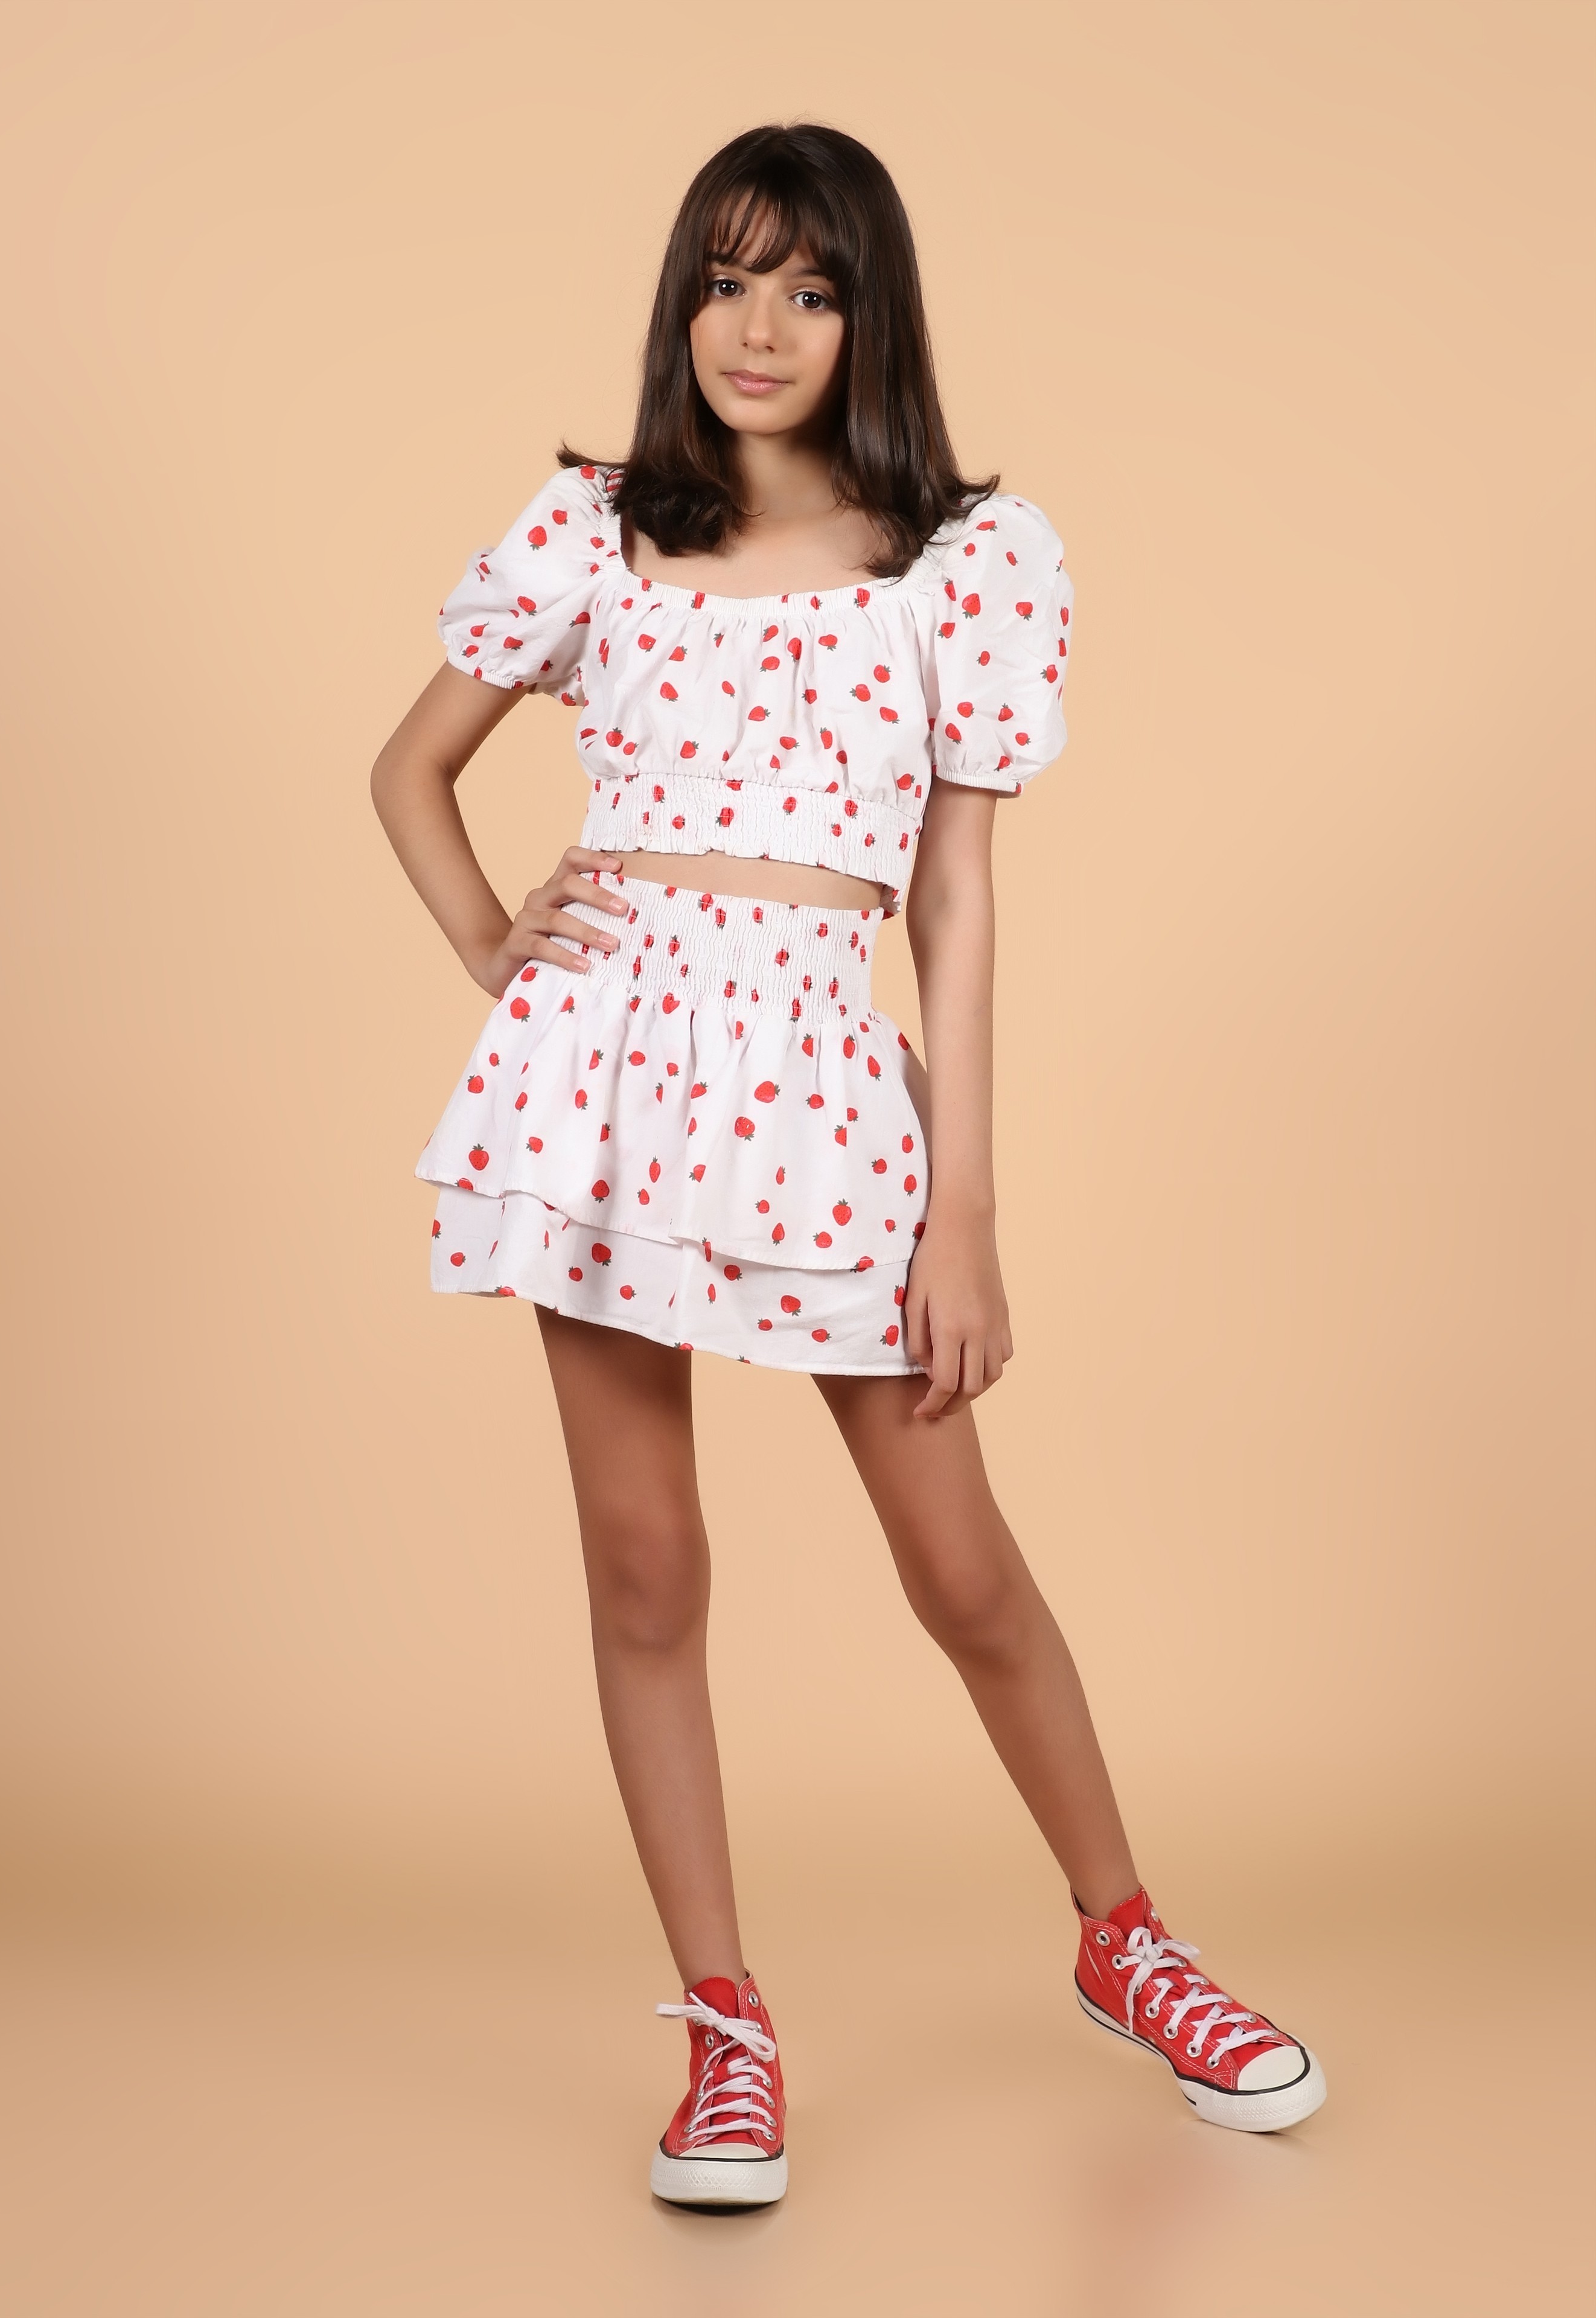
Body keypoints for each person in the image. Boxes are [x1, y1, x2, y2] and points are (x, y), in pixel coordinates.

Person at [371, 122, 1325, 2208]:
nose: (759, 327)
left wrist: (960, 1201)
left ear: (867, 318)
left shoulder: (962, 558)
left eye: (808, 289)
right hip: (603, 1086)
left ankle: (1123, 1939)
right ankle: (724, 2028)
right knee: (645, 1567)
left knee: (959, 1569)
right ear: (679, 303)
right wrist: (501, 951)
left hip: (824, 1091)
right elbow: (409, 767)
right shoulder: (594, 529)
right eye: (725, 280)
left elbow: (954, 902)